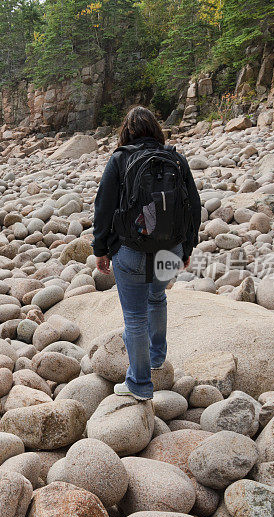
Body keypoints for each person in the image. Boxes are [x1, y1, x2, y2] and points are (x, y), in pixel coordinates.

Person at [92, 106, 201, 401]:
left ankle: (140, 384)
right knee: (157, 297)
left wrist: (100, 249)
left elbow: (103, 207)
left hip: (131, 250)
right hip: (171, 247)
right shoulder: (175, 158)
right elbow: (193, 203)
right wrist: (187, 247)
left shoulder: (120, 159)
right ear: (156, 129)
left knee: (135, 317)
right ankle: (157, 357)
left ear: (126, 132)